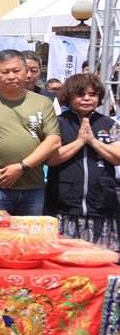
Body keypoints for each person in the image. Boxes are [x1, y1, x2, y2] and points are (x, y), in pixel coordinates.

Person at [0, 49, 61, 216]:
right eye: (5, 71)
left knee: (30, 239)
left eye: (16, 71)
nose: (11, 76)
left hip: (33, 187)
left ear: (25, 71)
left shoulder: (43, 102)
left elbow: (54, 140)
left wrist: (22, 167)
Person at [44, 73, 120, 250]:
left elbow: (117, 157)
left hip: (101, 207)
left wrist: (93, 141)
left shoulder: (109, 124)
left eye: (92, 94)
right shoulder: (57, 123)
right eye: (80, 94)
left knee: (100, 263)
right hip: (65, 208)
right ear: (69, 97)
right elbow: (51, 159)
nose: (87, 98)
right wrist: (79, 142)